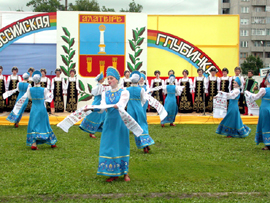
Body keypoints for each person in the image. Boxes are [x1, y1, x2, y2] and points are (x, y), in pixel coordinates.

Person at [97, 66, 131, 182]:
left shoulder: (124, 92)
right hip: (109, 123)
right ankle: (112, 173)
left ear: (117, 79)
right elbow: (102, 107)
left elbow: (121, 104)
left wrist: (115, 105)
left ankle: (125, 173)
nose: (109, 80)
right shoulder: (105, 93)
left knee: (122, 145)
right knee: (109, 146)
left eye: (111, 78)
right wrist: (92, 109)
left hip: (120, 122)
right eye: (108, 78)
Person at [12, 70, 57, 150]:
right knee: (45, 124)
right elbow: (48, 98)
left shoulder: (30, 89)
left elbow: (29, 97)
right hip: (42, 109)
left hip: (34, 109)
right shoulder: (44, 89)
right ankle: (52, 142)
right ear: (40, 80)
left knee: (33, 125)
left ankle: (34, 144)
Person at [126, 71, 155, 153]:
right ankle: (146, 144)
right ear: (138, 80)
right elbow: (143, 100)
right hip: (139, 108)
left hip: (130, 109)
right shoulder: (141, 89)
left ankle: (144, 145)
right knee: (143, 125)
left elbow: (125, 100)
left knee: (136, 127)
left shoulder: (127, 90)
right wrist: (139, 105)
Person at [79, 72, 109, 138]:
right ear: (100, 80)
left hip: (101, 104)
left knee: (103, 116)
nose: (103, 79)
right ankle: (91, 132)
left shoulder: (100, 87)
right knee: (93, 116)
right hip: (97, 103)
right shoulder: (98, 87)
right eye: (102, 78)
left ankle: (104, 131)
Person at [245, 74, 270, 150]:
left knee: (265, 125)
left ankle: (267, 144)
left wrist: (248, 93)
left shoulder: (264, 90)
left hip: (265, 109)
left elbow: (255, 97)